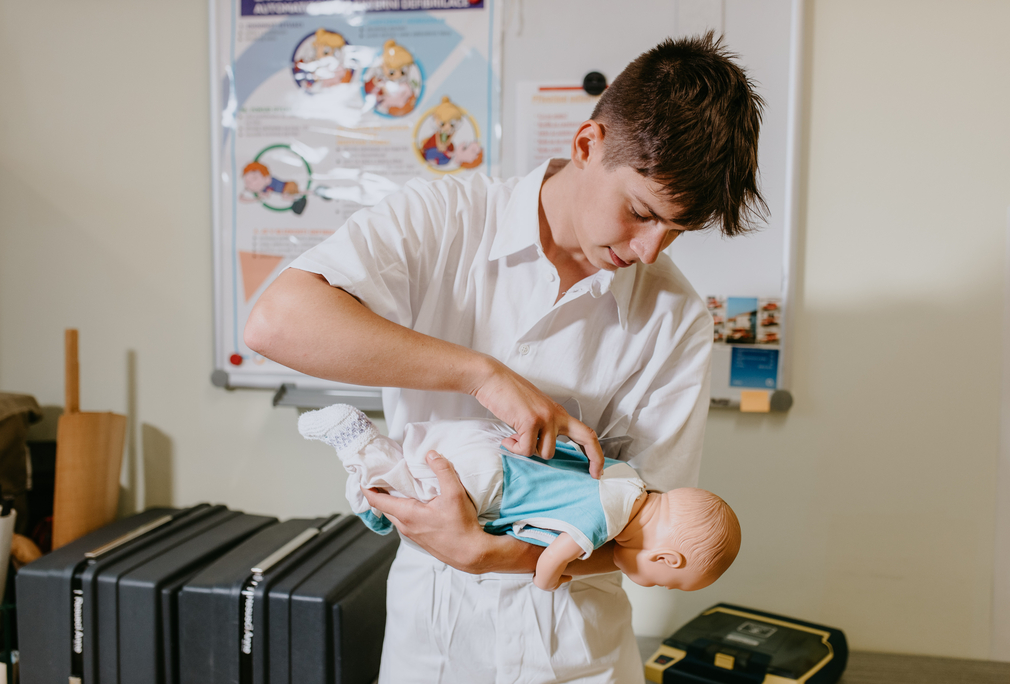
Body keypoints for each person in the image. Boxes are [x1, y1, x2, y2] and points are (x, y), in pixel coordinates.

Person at [245, 32, 764, 684]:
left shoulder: (677, 317)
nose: (650, 251)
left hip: (576, 653)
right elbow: (275, 324)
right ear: (586, 145)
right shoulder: (444, 219)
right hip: (431, 638)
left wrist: (492, 556)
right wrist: (480, 373)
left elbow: (650, 535)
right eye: (639, 212)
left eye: (676, 231)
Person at [298, 404, 741, 592]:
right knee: (406, 500)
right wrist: (552, 579)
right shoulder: (603, 522)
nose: (645, 584)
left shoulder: (629, 479)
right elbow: (549, 561)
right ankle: (357, 443)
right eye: (659, 584)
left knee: (411, 475)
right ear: (667, 560)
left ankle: (368, 470)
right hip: (490, 484)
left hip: (490, 446)